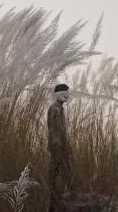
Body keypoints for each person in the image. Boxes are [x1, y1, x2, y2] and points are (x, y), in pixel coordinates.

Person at [47, 84, 72, 212]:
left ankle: (59, 195)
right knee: (56, 170)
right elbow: (55, 130)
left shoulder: (60, 109)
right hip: (57, 144)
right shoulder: (55, 109)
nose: (68, 95)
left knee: (63, 170)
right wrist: (60, 146)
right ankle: (51, 196)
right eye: (66, 93)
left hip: (61, 144)